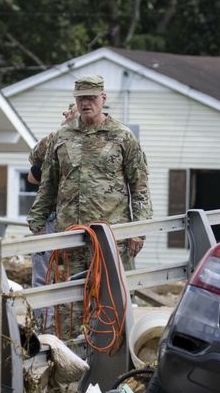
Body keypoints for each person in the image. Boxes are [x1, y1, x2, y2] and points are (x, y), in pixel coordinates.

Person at [27, 75, 151, 329]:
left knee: (110, 306)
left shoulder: (122, 137)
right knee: (69, 308)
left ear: (103, 99)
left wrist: (139, 231)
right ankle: (71, 363)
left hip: (109, 237)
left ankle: (109, 364)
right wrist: (37, 222)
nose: (86, 103)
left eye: (91, 98)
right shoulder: (61, 137)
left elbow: (139, 186)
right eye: (81, 98)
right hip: (70, 237)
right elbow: (48, 184)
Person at [28, 103, 78, 289]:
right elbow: (33, 171)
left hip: (77, 220)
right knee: (44, 276)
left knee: (71, 277)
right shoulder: (57, 139)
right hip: (50, 216)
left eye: (70, 112)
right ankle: (42, 319)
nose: (65, 113)